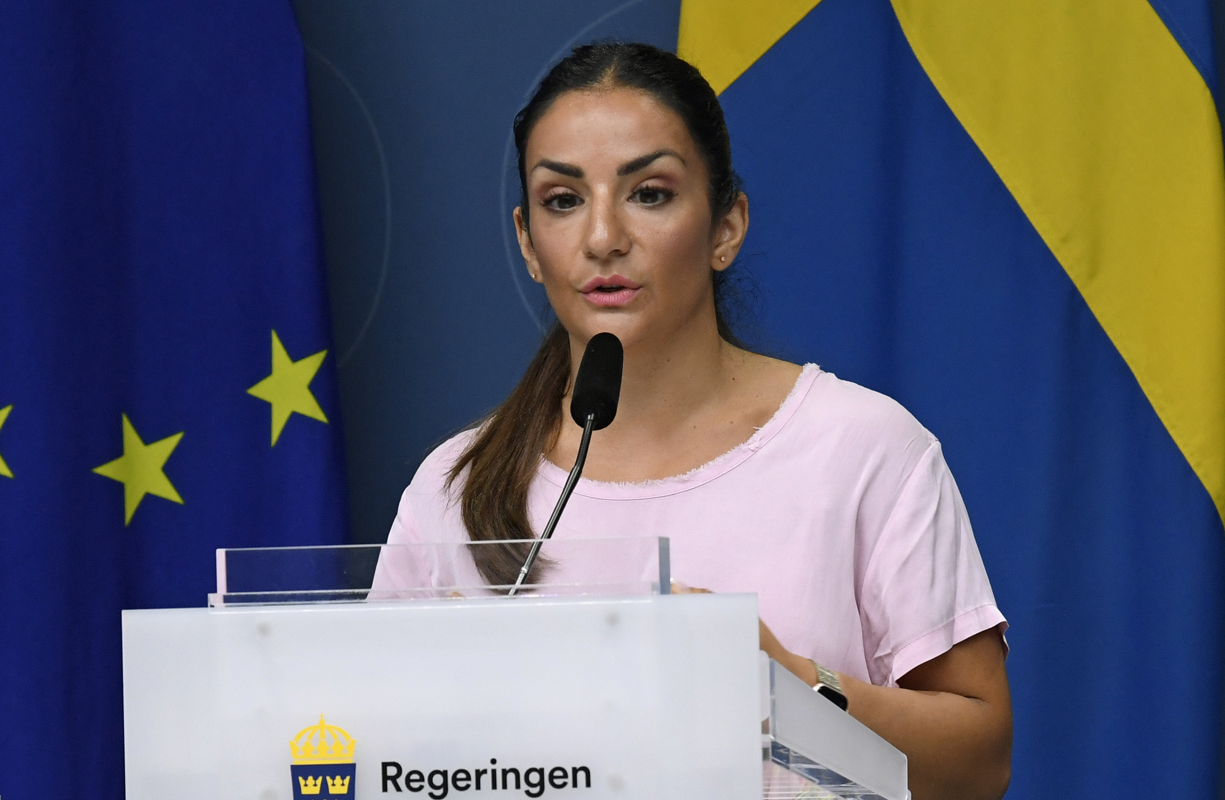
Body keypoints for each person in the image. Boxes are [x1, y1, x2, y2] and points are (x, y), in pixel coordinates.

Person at [377, 41, 1012, 800]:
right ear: (528, 243)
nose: (603, 237)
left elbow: (980, 767)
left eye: (649, 193)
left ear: (725, 226)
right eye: (563, 199)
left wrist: (787, 686)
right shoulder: (453, 486)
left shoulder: (864, 449)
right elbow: (371, 751)